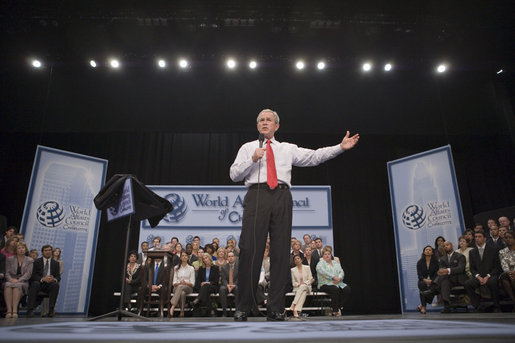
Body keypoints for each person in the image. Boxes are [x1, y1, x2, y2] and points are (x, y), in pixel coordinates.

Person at [230, 108, 359, 321]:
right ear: (257, 126)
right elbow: (234, 174)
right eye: (261, 120)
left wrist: (340, 148)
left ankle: (276, 308)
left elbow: (314, 157)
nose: (264, 123)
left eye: (268, 120)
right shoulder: (248, 147)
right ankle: (243, 307)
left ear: (276, 126)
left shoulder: (287, 149)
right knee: (250, 250)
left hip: (281, 196)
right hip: (256, 195)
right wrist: (252, 159)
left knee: (281, 253)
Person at [464, 230, 501, 312]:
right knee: (468, 284)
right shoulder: (472, 252)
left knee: (492, 282)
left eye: (479, 237)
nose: (477, 239)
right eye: (476, 237)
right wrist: (478, 276)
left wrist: (488, 276)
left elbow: (497, 266)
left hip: (491, 275)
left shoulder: (493, 249)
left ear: (485, 239)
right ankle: (477, 306)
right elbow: (472, 268)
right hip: (479, 276)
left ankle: (496, 306)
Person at [26, 245, 61, 317]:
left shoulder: (56, 263)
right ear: (42, 252)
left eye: (49, 250)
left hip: (50, 284)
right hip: (39, 283)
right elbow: (33, 276)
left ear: (51, 252)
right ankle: (30, 310)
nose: (48, 252)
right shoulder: (36, 262)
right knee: (35, 284)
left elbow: (58, 277)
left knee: (55, 285)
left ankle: (51, 310)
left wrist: (53, 279)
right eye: (46, 250)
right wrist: (43, 279)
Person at [316, 247, 351, 316]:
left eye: (328, 254)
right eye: (325, 254)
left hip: (338, 282)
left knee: (347, 289)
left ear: (331, 255)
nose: (327, 255)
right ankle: (335, 311)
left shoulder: (335, 263)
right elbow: (323, 272)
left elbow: (341, 271)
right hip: (324, 284)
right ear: (323, 256)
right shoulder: (320, 263)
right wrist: (333, 277)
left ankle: (337, 306)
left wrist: (339, 278)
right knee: (334, 289)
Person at [436, 241, 468, 313]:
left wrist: (448, 270)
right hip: (448, 279)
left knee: (443, 279)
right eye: (444, 246)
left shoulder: (460, 256)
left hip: (458, 278)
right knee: (444, 281)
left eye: (447, 245)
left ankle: (434, 288)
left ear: (452, 246)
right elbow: (441, 270)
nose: (446, 246)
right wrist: (441, 271)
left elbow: (460, 269)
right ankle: (446, 305)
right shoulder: (442, 259)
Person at [4, 242, 33, 319]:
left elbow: (28, 274)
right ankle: (9, 311)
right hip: (11, 280)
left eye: (23, 248)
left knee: (17, 286)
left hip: (23, 281)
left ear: (25, 249)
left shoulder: (30, 260)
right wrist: (10, 279)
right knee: (7, 285)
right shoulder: (10, 259)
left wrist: (19, 280)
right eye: (19, 248)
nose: (21, 250)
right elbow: (7, 272)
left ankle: (15, 311)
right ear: (16, 250)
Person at [169, 251, 195, 318]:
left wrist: (185, 283)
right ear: (180, 258)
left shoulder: (191, 268)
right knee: (182, 292)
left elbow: (192, 283)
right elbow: (174, 283)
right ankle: (182, 312)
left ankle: (173, 306)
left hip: (188, 287)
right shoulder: (176, 268)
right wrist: (179, 283)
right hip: (177, 287)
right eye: (182, 255)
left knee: (182, 288)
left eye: (185, 255)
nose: (184, 257)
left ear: (188, 257)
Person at [416, 246, 439, 314]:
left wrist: (431, 281)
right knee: (422, 286)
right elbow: (419, 275)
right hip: (423, 280)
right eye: (426, 249)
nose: (428, 251)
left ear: (432, 253)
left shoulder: (436, 262)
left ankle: (422, 305)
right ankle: (424, 307)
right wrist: (425, 280)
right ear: (424, 252)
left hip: (433, 280)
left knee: (432, 288)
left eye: (429, 250)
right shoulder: (420, 262)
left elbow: (436, 273)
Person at [290, 254, 314, 319]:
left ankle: (293, 304)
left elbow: (311, 279)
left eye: (298, 259)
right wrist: (298, 284)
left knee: (303, 286)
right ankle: (295, 310)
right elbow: (293, 282)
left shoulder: (307, 267)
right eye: (295, 259)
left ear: (301, 260)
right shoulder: (293, 270)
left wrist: (304, 283)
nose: (297, 260)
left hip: (307, 286)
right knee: (303, 293)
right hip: (298, 288)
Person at [498, 231, 515, 310]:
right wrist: (509, 272)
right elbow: (503, 264)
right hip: (509, 273)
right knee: (504, 277)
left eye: (510, 237)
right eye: (506, 238)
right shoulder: (502, 252)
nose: (508, 239)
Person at [219, 251, 239, 317]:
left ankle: (237, 311)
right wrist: (227, 285)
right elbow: (223, 279)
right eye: (229, 256)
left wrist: (234, 285)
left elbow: (240, 278)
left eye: (232, 256)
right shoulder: (224, 267)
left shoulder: (239, 267)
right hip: (227, 285)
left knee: (238, 289)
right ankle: (224, 312)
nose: (230, 258)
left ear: (235, 257)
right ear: (227, 258)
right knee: (222, 289)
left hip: (235, 285)